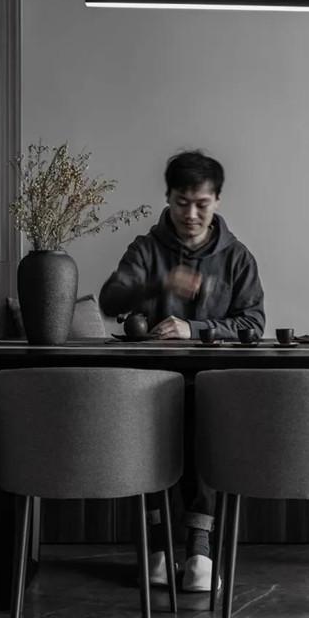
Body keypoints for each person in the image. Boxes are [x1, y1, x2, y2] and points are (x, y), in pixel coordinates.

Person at [99, 150, 265, 591]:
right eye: (181, 203)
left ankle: (199, 551)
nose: (190, 215)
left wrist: (195, 328)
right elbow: (110, 300)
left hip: (213, 385)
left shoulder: (238, 258)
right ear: (168, 197)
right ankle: (158, 547)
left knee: (207, 428)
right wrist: (160, 283)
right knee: (147, 440)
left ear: (217, 201)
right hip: (148, 385)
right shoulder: (145, 248)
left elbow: (253, 324)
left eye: (201, 204)